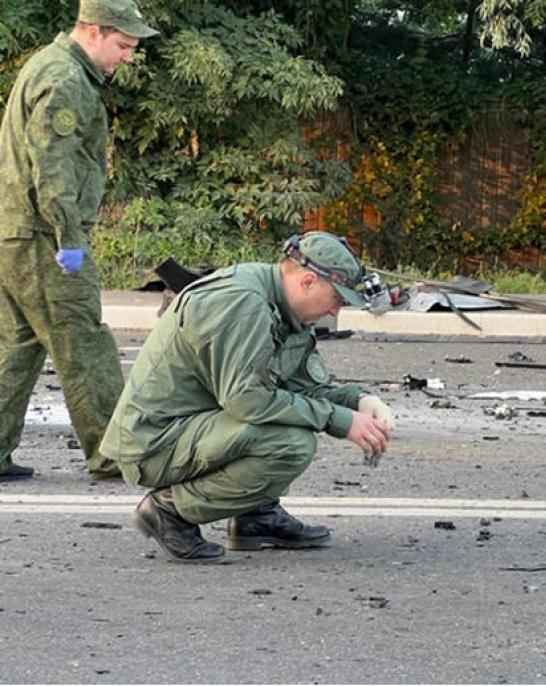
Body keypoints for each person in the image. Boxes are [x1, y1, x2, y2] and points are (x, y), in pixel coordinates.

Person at [98, 232, 396, 563]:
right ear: (308, 281)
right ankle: (170, 511)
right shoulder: (244, 303)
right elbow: (248, 400)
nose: (335, 311)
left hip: (193, 427)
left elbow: (300, 387)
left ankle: (256, 516)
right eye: (337, 299)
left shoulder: (285, 307)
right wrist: (337, 420)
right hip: (153, 442)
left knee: (287, 423)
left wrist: (359, 402)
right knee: (290, 444)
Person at [0, 0, 158, 482]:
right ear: (93, 32)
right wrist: (69, 236)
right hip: (45, 237)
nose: (128, 56)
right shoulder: (66, 81)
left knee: (17, 346)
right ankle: (115, 454)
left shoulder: (49, 66)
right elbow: (54, 168)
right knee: (84, 343)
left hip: (15, 233)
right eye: (123, 45)